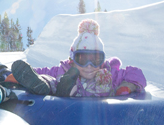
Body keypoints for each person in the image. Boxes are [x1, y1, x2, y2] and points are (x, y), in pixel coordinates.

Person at [11, 19, 146, 97]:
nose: (89, 66)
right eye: (82, 59)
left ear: (102, 61)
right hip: (67, 101)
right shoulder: (65, 70)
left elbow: (137, 73)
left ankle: (62, 90)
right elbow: (42, 70)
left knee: (56, 82)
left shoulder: (110, 73)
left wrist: (127, 86)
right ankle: (43, 85)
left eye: (95, 60)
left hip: (100, 115)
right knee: (53, 80)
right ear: (72, 61)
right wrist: (15, 76)